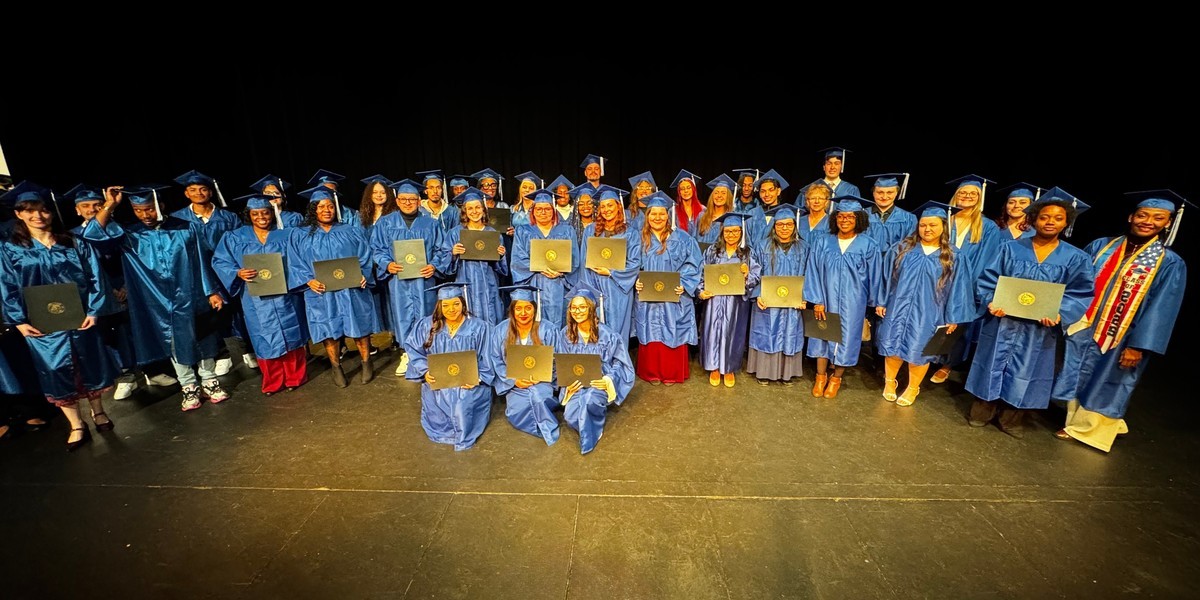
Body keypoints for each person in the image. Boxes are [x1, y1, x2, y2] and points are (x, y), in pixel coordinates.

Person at [1050, 190, 1188, 452]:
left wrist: (1139, 345)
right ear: (1131, 217)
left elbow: (1163, 309)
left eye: (1158, 218)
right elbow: (1077, 281)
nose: (1148, 222)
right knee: (1080, 372)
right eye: (1143, 215)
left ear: (1168, 223)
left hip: (1124, 333)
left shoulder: (1168, 262)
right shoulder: (1102, 246)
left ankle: (1091, 430)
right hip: (1086, 325)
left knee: (1110, 380)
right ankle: (1080, 421)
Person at [84, 185, 230, 412]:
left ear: (160, 206)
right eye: (138, 210)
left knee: (203, 336)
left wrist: (211, 291)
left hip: (191, 293)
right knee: (173, 342)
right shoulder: (130, 234)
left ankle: (209, 380)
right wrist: (110, 204)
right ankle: (188, 385)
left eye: (149, 209)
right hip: (157, 300)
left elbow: (202, 260)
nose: (145, 215)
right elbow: (92, 233)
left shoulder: (185, 227)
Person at [965, 189, 1095, 438]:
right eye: (1044, 217)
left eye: (1057, 218)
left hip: (1040, 328)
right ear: (1034, 219)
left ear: (1066, 223)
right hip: (1003, 321)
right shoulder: (1010, 249)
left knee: (1027, 369)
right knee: (991, 363)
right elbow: (988, 279)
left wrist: (1060, 313)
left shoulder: (1076, 258)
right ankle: (981, 412)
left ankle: (1011, 419)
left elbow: (1080, 293)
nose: (1050, 222)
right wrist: (992, 301)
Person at [0, 182, 119, 450]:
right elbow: (6, 286)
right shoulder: (9, 250)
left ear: (51, 212)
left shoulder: (74, 242)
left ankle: (99, 412)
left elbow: (95, 278)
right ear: (19, 214)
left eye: (43, 210)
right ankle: (76, 424)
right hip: (41, 324)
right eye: (29, 211)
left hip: (80, 317)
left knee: (89, 364)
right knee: (55, 370)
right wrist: (19, 321)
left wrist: (94, 311)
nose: (38, 216)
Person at [874, 202, 975, 406]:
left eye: (933, 225)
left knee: (920, 351)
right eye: (923, 225)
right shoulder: (902, 249)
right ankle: (890, 382)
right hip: (897, 306)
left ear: (943, 227)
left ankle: (913, 388)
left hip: (929, 312)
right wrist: (881, 301)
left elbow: (960, 288)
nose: (927, 229)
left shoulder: (954, 256)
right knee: (892, 346)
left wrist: (953, 317)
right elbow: (886, 278)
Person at [212, 195, 309, 396]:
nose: (261, 217)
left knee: (291, 334)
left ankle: (295, 377)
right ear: (249, 215)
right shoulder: (235, 237)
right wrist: (237, 273)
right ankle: (273, 381)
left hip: (285, 295)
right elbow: (220, 261)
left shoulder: (287, 234)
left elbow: (302, 259)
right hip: (255, 297)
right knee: (263, 337)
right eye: (255, 214)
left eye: (265, 213)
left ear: (272, 214)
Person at [288, 185, 378, 388]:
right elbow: (295, 262)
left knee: (360, 327)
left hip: (351, 289)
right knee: (328, 330)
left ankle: (366, 362)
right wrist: (308, 280)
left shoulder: (350, 230)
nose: (326, 210)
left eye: (329, 206)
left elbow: (365, 255)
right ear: (313, 209)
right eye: (321, 207)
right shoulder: (300, 235)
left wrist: (363, 274)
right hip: (321, 292)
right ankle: (336, 367)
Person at [804, 197, 884, 399]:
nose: (845, 220)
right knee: (822, 336)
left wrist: (877, 301)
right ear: (835, 218)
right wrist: (817, 300)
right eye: (841, 216)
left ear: (859, 219)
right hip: (826, 298)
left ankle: (836, 378)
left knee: (847, 339)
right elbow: (813, 271)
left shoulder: (869, 245)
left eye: (850, 217)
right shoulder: (823, 241)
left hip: (853, 302)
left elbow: (875, 275)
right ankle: (820, 377)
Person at [928, 175, 1004, 385]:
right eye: (963, 192)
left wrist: (968, 286)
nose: (967, 196)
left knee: (958, 325)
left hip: (967, 284)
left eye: (973, 193)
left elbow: (988, 260)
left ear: (980, 197)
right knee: (934, 320)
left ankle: (947, 365)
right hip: (938, 279)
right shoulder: (945, 219)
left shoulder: (987, 227)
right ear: (956, 195)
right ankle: (929, 358)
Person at [170, 170, 248, 375]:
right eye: (193, 190)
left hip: (228, 271)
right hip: (196, 274)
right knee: (210, 314)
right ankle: (222, 353)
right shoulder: (178, 219)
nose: (198, 193)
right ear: (186, 193)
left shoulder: (228, 217)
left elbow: (241, 245)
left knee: (238, 311)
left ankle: (246, 349)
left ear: (210, 192)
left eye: (203, 189)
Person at [369, 179, 450, 377]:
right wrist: (387, 264)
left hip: (425, 279)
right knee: (402, 315)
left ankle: (429, 354)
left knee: (427, 315)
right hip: (399, 280)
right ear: (397, 201)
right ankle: (407, 354)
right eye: (403, 199)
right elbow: (376, 249)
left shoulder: (431, 223)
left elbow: (443, 249)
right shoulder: (385, 223)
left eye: (412, 199)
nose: (408, 202)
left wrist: (434, 266)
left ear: (419, 201)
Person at [404, 283, 495, 451]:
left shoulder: (479, 327)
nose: (451, 309)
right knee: (439, 397)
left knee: (462, 401)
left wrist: (478, 378)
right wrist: (425, 371)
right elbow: (413, 349)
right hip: (439, 380)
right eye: (446, 305)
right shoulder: (427, 325)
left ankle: (464, 431)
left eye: (456, 304)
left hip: (469, 382)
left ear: (463, 304)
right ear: (439, 306)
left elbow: (488, 356)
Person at [554, 286, 634, 454]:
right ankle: (590, 421)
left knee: (589, 400)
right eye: (574, 308)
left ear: (591, 308)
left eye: (582, 307)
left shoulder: (607, 334)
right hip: (576, 384)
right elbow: (560, 363)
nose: (577, 311)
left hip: (599, 381)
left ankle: (590, 435)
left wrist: (608, 380)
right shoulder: (565, 334)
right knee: (570, 416)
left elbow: (621, 362)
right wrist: (567, 386)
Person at [633, 192, 701, 385]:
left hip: (674, 296)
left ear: (668, 215)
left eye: (661, 214)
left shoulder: (682, 238)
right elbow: (631, 264)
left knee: (673, 329)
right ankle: (651, 372)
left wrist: (684, 283)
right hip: (648, 296)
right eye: (653, 214)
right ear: (647, 216)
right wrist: (636, 280)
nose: (657, 218)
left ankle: (671, 372)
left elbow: (694, 263)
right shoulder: (639, 239)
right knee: (651, 329)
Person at [488, 285, 562, 446]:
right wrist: (514, 381)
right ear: (512, 310)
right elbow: (496, 360)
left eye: (528, 308)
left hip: (542, 382)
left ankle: (546, 423)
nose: (523, 313)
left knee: (538, 396)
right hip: (514, 384)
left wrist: (541, 376)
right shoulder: (500, 331)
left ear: (534, 309)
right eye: (518, 308)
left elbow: (557, 359)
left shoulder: (548, 329)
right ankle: (544, 424)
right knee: (517, 411)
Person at [698, 212, 762, 387]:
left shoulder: (747, 253)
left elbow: (756, 276)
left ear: (741, 232)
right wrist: (701, 291)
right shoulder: (712, 251)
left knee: (732, 333)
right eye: (727, 231)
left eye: (735, 231)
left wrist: (747, 275)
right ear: (722, 232)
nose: (731, 235)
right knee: (712, 331)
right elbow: (701, 272)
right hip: (714, 300)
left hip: (736, 302)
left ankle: (729, 368)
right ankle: (714, 367)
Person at [747, 205, 808, 385]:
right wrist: (757, 294)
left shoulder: (804, 247)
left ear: (795, 226)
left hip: (792, 303)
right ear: (774, 226)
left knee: (790, 333)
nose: (784, 228)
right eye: (780, 224)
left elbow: (810, 274)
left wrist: (804, 297)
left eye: (789, 224)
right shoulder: (762, 246)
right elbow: (754, 273)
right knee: (767, 332)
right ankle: (764, 372)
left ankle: (787, 373)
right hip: (767, 302)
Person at [578, 185, 640, 341]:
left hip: (618, 288)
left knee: (618, 331)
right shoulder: (590, 231)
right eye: (603, 206)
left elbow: (634, 263)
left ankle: (619, 357)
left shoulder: (630, 233)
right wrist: (589, 291)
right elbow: (584, 262)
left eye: (610, 205)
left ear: (618, 206)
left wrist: (611, 272)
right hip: (595, 285)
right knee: (595, 329)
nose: (606, 210)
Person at [510, 188, 578, 328]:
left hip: (559, 284)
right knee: (535, 323)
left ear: (553, 210)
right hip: (534, 282)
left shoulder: (567, 230)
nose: (543, 212)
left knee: (560, 321)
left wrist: (561, 272)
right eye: (539, 209)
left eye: (547, 209)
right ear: (533, 211)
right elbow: (518, 259)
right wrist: (540, 267)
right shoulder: (523, 231)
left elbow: (574, 258)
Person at [445, 187, 509, 324]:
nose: (474, 211)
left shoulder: (492, 233)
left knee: (491, 314)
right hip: (465, 281)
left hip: (489, 283)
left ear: (483, 210)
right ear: (464, 211)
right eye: (470, 208)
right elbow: (444, 263)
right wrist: (453, 254)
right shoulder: (455, 233)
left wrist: (501, 255)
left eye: (478, 207)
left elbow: (502, 270)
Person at [863, 173, 917, 252]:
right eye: (880, 192)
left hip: (896, 259)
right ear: (873, 193)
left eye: (889, 192)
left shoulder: (909, 218)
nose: (884, 197)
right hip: (866, 259)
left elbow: (910, 246)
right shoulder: (862, 215)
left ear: (896, 193)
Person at [691, 174, 736, 248]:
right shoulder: (702, 216)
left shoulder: (730, 219)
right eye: (716, 192)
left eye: (723, 193)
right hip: (699, 253)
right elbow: (693, 239)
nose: (719, 195)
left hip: (719, 254)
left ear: (728, 197)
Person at [670, 170, 704, 234]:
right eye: (682, 189)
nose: (686, 191)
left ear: (693, 189)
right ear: (679, 192)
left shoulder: (703, 210)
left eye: (688, 188)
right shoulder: (673, 211)